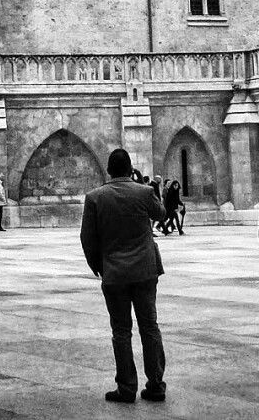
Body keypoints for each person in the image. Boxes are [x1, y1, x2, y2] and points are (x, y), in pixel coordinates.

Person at [80, 147, 167, 405]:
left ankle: (126, 387)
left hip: (115, 273)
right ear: (130, 169)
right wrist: (144, 187)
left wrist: (99, 266)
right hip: (144, 271)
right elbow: (161, 214)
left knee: (121, 330)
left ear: (108, 170)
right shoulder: (143, 192)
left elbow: (87, 237)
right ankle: (156, 384)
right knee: (149, 326)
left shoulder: (95, 197)